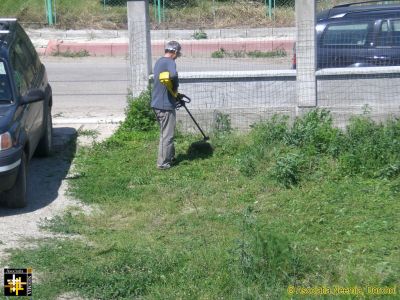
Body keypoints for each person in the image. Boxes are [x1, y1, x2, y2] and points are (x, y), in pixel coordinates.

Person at [151, 41, 182, 170]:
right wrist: (174, 87)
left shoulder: (159, 61)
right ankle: (163, 164)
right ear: (174, 52)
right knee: (167, 135)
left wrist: (175, 94)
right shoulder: (170, 62)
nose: (178, 56)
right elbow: (173, 75)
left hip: (157, 103)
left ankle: (170, 156)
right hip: (165, 105)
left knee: (166, 133)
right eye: (178, 53)